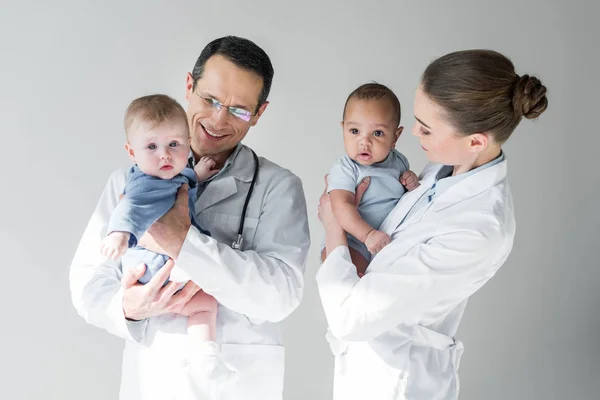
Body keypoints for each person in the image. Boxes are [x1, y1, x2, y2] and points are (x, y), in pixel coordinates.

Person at [70, 36, 310, 400]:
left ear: (259, 114)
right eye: (210, 100)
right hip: (154, 379)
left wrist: (181, 241)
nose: (218, 119)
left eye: (239, 110)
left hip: (238, 383)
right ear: (189, 86)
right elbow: (88, 284)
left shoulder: (278, 187)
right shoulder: (129, 181)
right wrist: (129, 308)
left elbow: (282, 295)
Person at [317, 49, 548, 399]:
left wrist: (334, 226)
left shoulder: (480, 227)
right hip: (369, 369)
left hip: (399, 381)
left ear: (476, 141)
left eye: (426, 128)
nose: (412, 133)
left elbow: (350, 318)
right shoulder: (444, 171)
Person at [100, 94, 236, 382]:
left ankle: (205, 356)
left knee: (205, 304)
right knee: (206, 296)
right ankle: (205, 354)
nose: (164, 154)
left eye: (174, 144)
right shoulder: (144, 184)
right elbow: (129, 206)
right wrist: (119, 235)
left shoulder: (170, 174)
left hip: (168, 268)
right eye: (151, 146)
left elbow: (182, 180)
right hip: (156, 268)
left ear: (187, 144)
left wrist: (196, 174)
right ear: (131, 151)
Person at [323, 83, 419, 277]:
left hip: (386, 241)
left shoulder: (399, 161)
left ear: (395, 136)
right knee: (353, 281)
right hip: (353, 241)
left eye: (377, 133)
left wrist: (411, 180)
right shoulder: (346, 168)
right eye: (355, 131)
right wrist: (367, 235)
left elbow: (402, 193)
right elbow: (340, 206)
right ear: (343, 129)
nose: (364, 142)